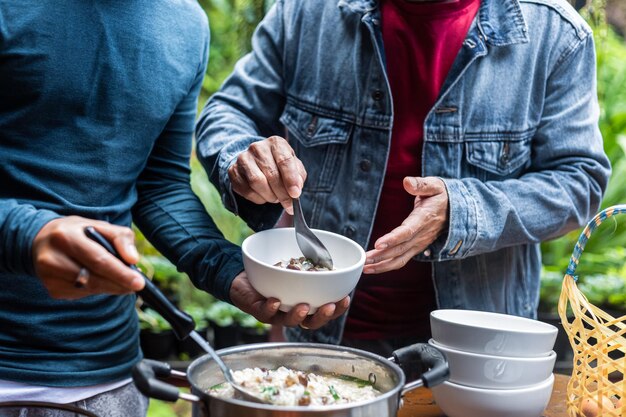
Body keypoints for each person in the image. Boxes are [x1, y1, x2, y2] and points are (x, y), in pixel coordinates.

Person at [195, 0, 612, 356]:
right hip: (319, 332)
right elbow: (227, 112)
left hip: (480, 352)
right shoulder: (309, 12)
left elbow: (579, 181)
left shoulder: (553, 34)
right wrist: (242, 159)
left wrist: (459, 211)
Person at [0, 0, 346, 414]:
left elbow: (158, 185)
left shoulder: (184, 23)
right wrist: (25, 234)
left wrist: (231, 273)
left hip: (110, 377)